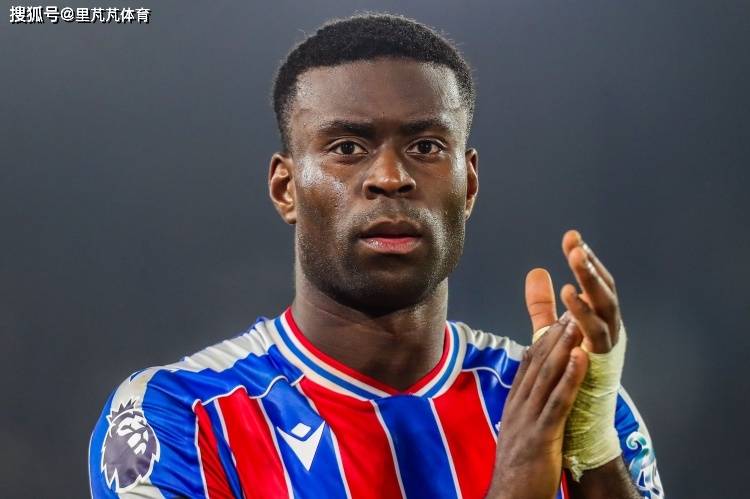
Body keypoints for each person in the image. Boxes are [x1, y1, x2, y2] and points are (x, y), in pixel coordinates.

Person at [89, 14, 664, 499]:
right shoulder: (178, 416)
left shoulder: (575, 406)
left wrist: (594, 456)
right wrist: (517, 483)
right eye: (347, 147)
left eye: (426, 147)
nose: (390, 177)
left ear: (468, 186)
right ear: (286, 189)